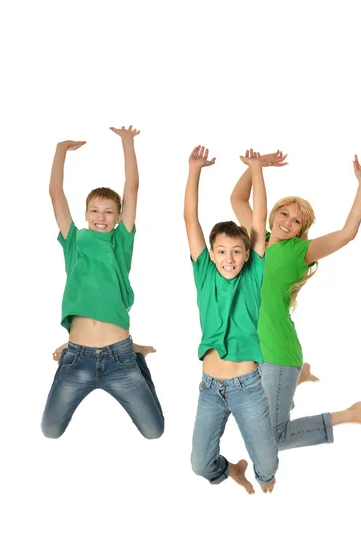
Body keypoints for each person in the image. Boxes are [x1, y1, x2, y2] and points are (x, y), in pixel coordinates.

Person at [231, 152, 361, 450]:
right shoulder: (257, 239)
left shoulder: (298, 251)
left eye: (296, 221)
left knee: (272, 438)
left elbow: (346, 235)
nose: (288, 222)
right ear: (273, 212)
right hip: (255, 351)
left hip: (277, 351)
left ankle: (351, 413)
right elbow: (238, 199)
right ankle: (298, 378)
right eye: (284, 214)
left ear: (300, 230)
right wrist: (259, 165)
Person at [41, 126, 164, 441]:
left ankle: (136, 356)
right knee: (50, 430)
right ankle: (75, 347)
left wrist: (127, 142)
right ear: (85, 214)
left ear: (118, 216)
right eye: (94, 210)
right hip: (77, 357)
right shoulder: (75, 241)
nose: (101, 216)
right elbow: (56, 193)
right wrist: (60, 150)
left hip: (118, 356)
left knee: (154, 431)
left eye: (109, 212)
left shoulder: (120, 242)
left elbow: (132, 187)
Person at [185, 145, 278, 495]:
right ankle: (229, 470)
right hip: (210, 387)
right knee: (199, 464)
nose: (229, 258)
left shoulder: (252, 275)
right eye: (222, 251)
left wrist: (257, 170)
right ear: (211, 254)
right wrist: (194, 170)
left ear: (246, 254)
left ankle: (262, 478)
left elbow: (257, 222)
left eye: (237, 251)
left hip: (247, 387)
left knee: (267, 469)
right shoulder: (204, 274)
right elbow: (190, 220)